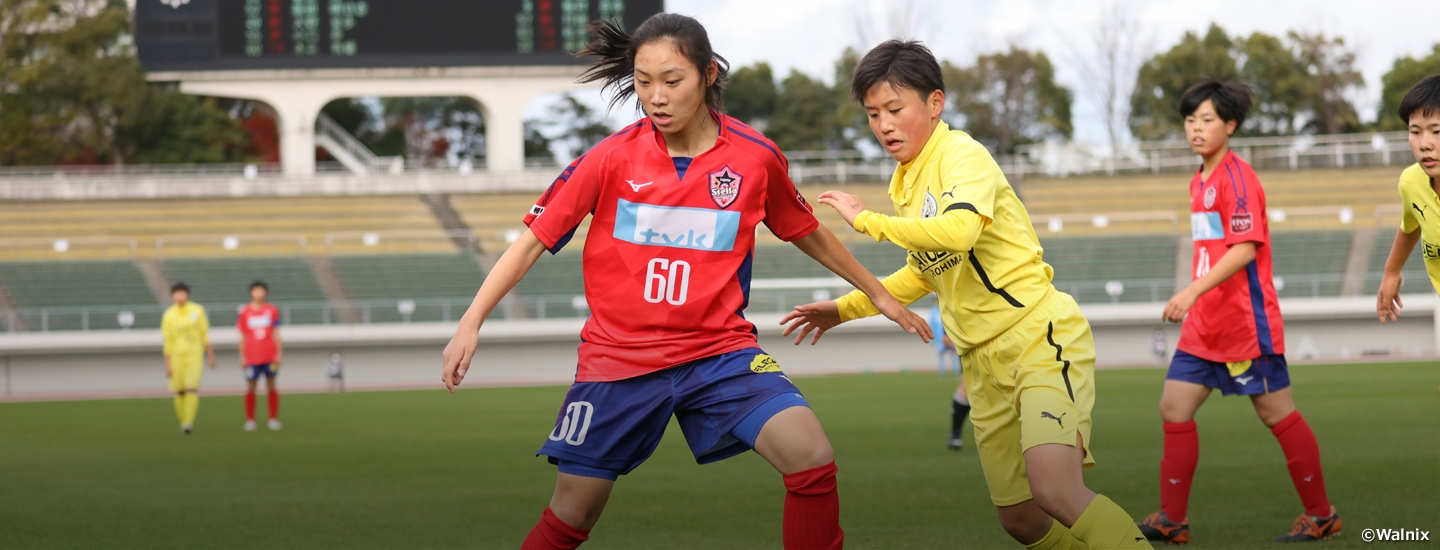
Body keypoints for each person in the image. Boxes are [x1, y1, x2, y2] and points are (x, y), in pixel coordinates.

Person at [439, 14, 930, 550]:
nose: (655, 96)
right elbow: (532, 239)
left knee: (811, 457)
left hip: (718, 353)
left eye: (672, 81)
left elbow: (805, 231)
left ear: (708, 74)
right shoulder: (608, 159)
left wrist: (878, 292)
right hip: (619, 362)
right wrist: (471, 321)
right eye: (643, 81)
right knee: (572, 514)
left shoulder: (755, 159)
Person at [781, 40, 1149, 549]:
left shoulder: (962, 155)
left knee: (1056, 490)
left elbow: (957, 233)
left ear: (935, 103)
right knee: (1020, 519)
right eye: (872, 114)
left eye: (894, 109)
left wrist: (867, 221)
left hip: (1036, 338)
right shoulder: (905, 182)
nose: (883, 124)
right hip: (980, 362)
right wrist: (843, 309)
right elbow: (925, 271)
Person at [1137, 80, 1339, 544]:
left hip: (1247, 325)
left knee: (1276, 414)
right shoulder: (1198, 179)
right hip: (1204, 327)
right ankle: (1173, 520)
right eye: (1190, 120)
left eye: (1206, 120)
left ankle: (1322, 513)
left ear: (1230, 125)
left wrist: (1189, 292)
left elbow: (1245, 248)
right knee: (1174, 407)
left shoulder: (1238, 178)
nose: (1196, 129)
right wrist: (1195, 301)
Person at [1376, 73, 1440, 400]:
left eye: (1436, 131)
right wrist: (1391, 272)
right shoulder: (1411, 182)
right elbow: (1410, 226)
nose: (1425, 143)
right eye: (1415, 132)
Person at [161, 282, 215, 434]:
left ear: (187, 294)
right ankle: (182, 420)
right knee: (179, 391)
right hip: (176, 357)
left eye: (182, 292)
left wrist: (211, 355)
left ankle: (188, 423)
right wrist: (167, 364)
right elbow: (168, 341)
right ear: (173, 296)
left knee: (191, 388)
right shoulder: (168, 315)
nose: (180, 296)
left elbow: (204, 334)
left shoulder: (197, 310)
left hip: (194, 356)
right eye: (177, 293)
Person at [237, 280, 283, 431]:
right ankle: (250, 420)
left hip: (269, 355)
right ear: (251, 293)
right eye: (256, 291)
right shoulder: (245, 312)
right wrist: (242, 356)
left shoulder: (272, 310)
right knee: (251, 386)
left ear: (265, 293)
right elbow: (242, 336)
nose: (259, 293)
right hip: (252, 356)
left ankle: (273, 419)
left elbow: (276, 334)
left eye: (261, 291)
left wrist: (279, 354)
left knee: (271, 385)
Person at [932, 307, 970, 451]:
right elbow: (946, 340)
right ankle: (955, 433)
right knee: (967, 388)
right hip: (972, 346)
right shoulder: (955, 303)